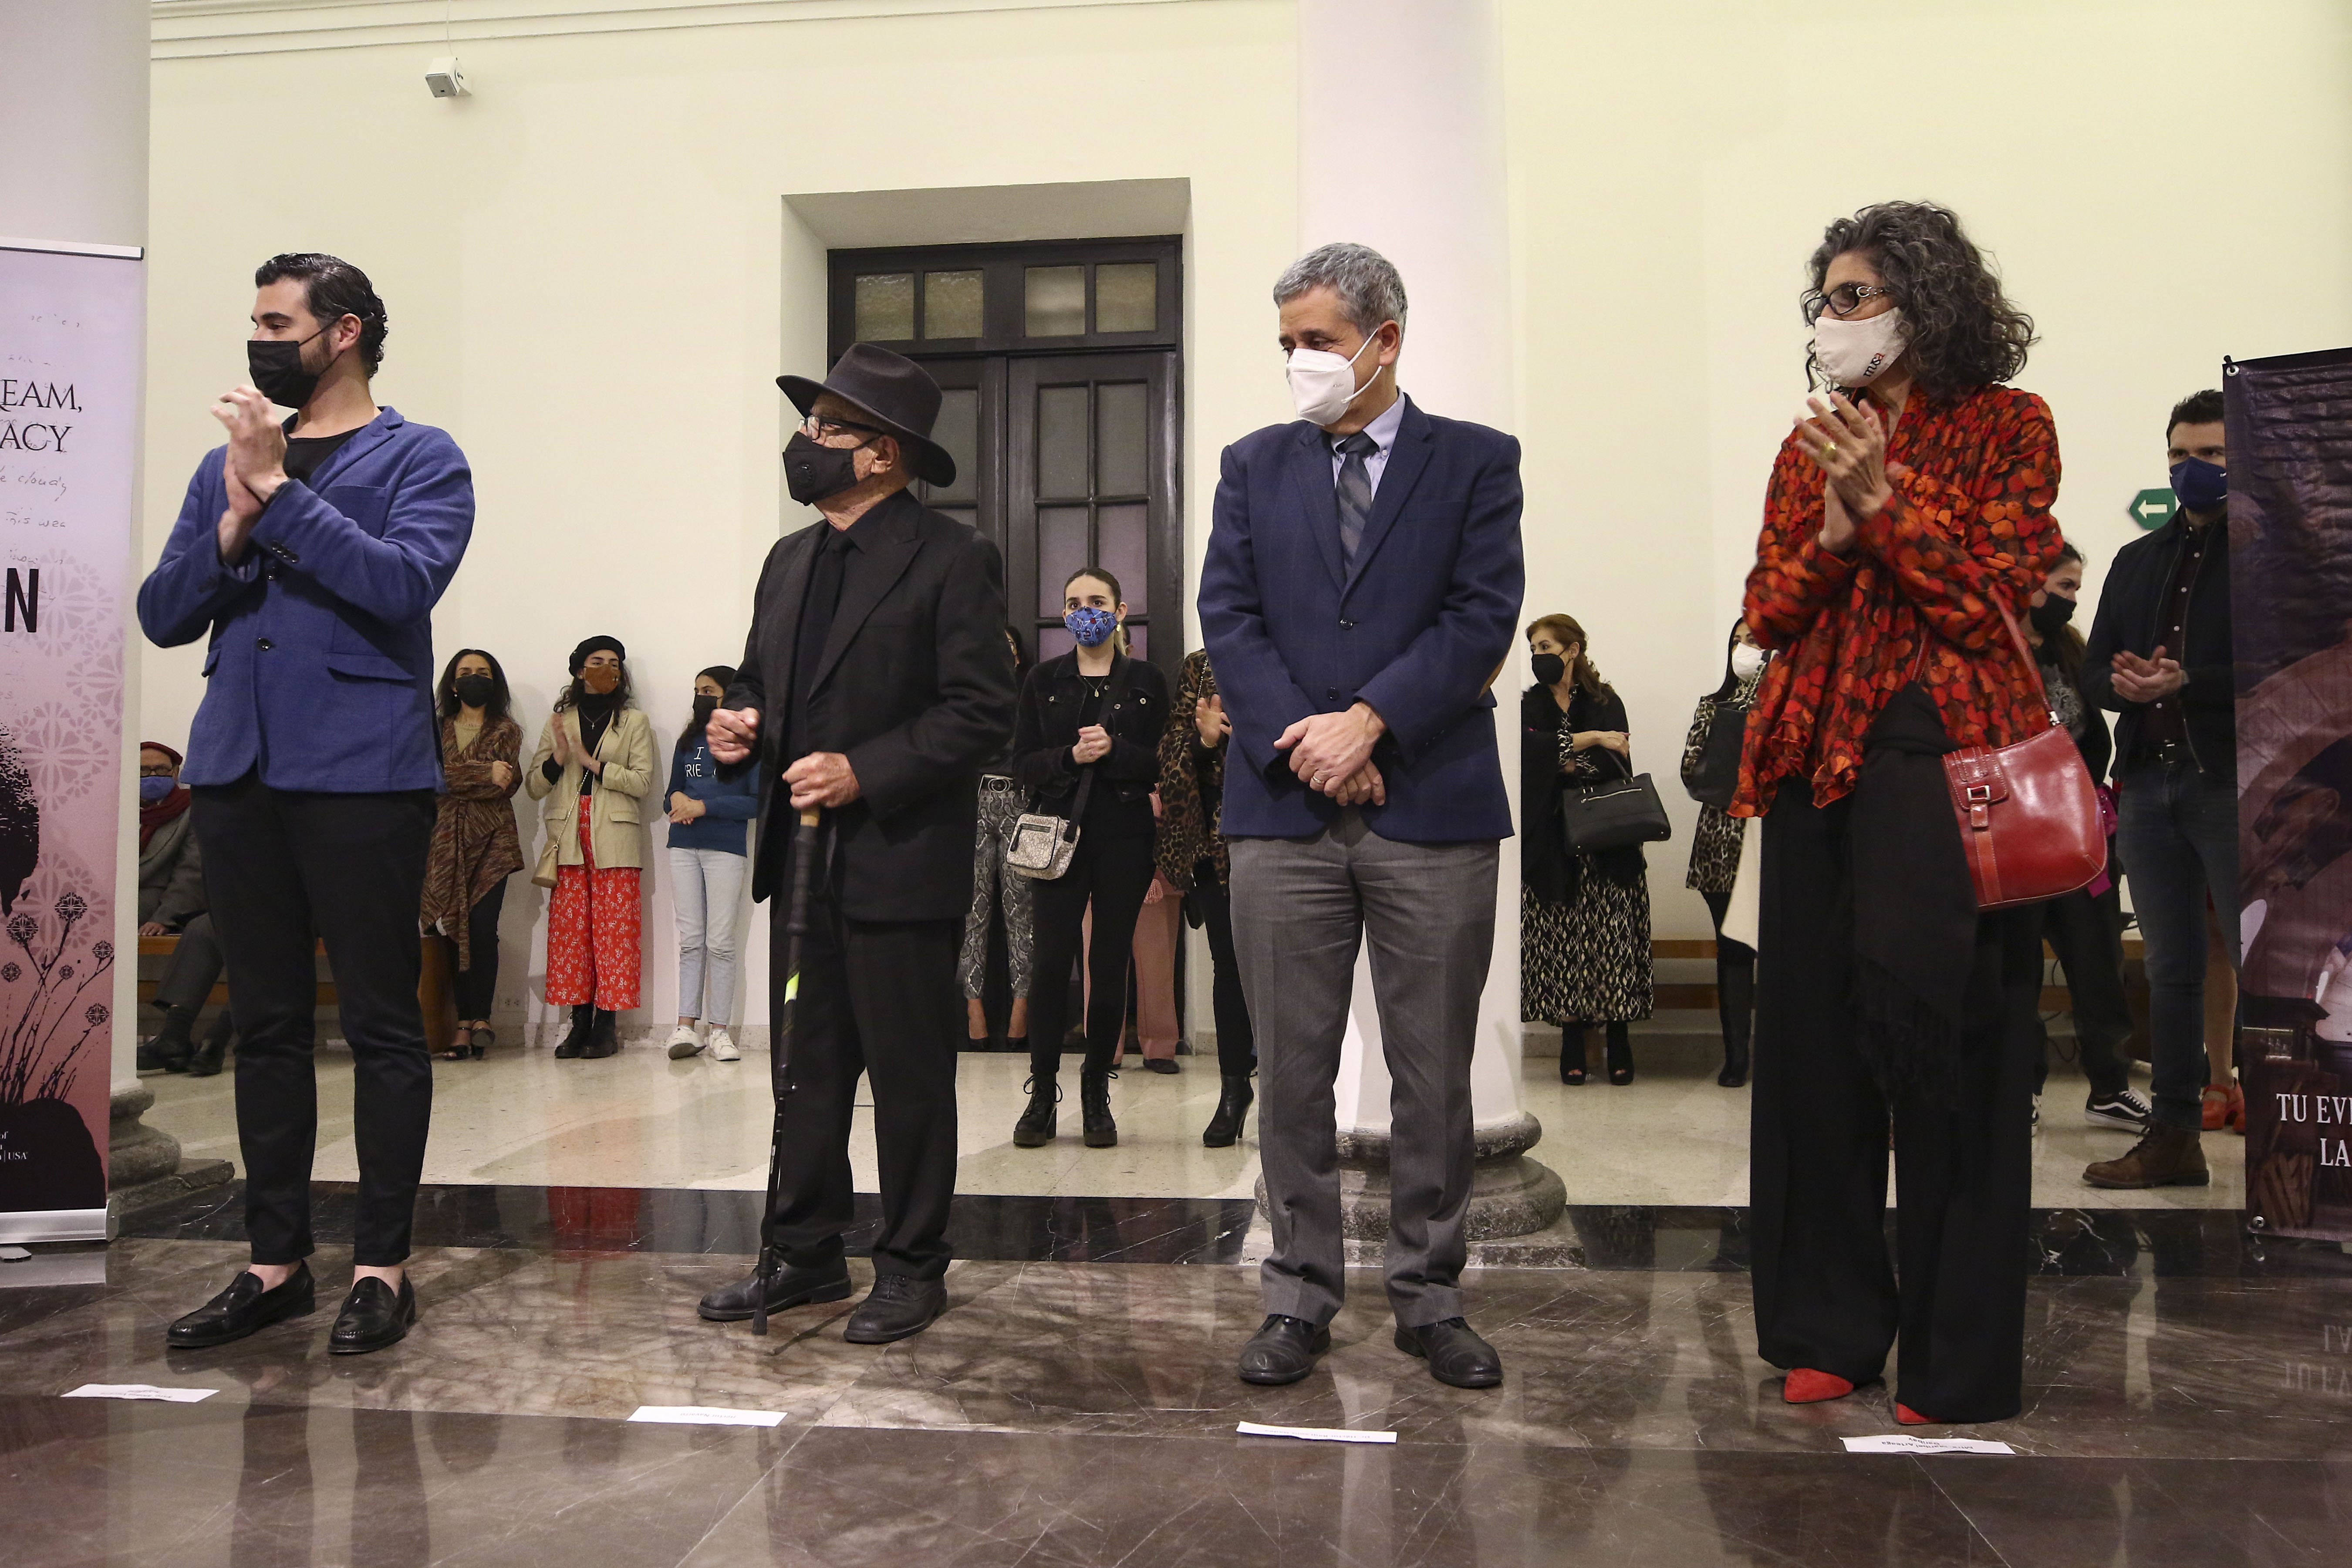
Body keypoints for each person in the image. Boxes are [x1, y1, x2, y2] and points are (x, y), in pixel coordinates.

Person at [1735, 202, 2056, 1425]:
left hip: (1946, 777)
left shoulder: (2009, 426)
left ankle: (1951, 1358)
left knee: (1947, 1061)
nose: (1831, 318)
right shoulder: (1811, 440)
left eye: (1852, 296)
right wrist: (1831, 527)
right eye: (1823, 300)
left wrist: (1882, 507)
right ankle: (1826, 1326)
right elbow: (1767, 611)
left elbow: (1990, 602)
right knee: (1813, 1062)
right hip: (1814, 767)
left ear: (1923, 301)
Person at [1199, 241, 1523, 1391]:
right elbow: (1229, 618)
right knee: (1290, 1073)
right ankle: (1297, 1292)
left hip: (1430, 802)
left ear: (1384, 340)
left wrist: (1373, 723)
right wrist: (1316, 741)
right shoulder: (1253, 465)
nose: (1300, 360)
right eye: (1288, 343)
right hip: (1282, 807)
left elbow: (1480, 616)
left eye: (1320, 341)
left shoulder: (1475, 461)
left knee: (1432, 1074)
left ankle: (1430, 1297)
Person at [137, 252, 472, 1355]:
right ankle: (273, 1262)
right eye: (255, 322)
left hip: (365, 772)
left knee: (379, 1023)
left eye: (278, 323)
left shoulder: (421, 455)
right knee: (268, 1024)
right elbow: (163, 612)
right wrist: (232, 523)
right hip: (238, 770)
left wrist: (281, 493)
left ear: (345, 331)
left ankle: (381, 1267)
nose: (259, 341)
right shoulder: (223, 466)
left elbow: (400, 584)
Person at [696, 344, 1014, 1345]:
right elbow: (758, 677)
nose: (808, 441)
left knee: (908, 1077)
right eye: (810, 424)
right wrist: (740, 721)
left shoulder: (951, 558)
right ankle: (803, 1248)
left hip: (898, 859)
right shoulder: (787, 560)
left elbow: (981, 710)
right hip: (800, 862)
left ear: (884, 453)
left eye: (828, 427)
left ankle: (912, 1263)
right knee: (806, 1067)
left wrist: (863, 770)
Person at [2079, 390, 2236, 1187]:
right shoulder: (2137, 558)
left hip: (2235, 784)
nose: (2191, 467)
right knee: (2169, 969)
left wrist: (2189, 681)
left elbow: (2295, 670)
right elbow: (2090, 666)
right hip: (2146, 782)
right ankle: (2173, 1139)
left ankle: (2298, 1143)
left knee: (2266, 966)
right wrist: (2123, 684)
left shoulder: (2275, 559)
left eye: (2210, 453)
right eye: (2179, 454)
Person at [1009, 567, 1171, 1148]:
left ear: (1119, 611)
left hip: (1125, 836)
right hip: (1058, 834)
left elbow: (1161, 764)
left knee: (1108, 964)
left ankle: (1096, 1090)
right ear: (1064, 613)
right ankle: (1041, 1094)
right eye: (1075, 602)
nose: (1086, 612)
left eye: (1097, 601)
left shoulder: (1147, 681)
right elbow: (1022, 763)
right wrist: (1070, 757)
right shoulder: (1043, 680)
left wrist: (1116, 750)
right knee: (1051, 964)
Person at [2020, 547, 2148, 1130]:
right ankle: (2020, 1088)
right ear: (2028, 582)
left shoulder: (2072, 649)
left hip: (2079, 832)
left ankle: (2110, 1086)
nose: (2072, 599)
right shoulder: (1991, 652)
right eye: (2063, 585)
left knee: (2098, 959)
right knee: (2017, 966)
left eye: (2076, 587)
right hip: (2015, 835)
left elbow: (2094, 733)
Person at [1520, 614, 1653, 1086]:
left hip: (1607, 842)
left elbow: (1615, 761)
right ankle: (1571, 1040)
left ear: (1572, 649)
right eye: (1533, 649)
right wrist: (1592, 739)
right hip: (1552, 844)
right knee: (1561, 940)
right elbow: (1527, 757)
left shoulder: (1605, 700)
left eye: (1545, 647)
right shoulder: (1530, 704)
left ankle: (1619, 1038)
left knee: (1611, 939)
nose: (1538, 656)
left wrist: (1562, 759)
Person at [526, 637, 657, 1060]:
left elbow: (642, 782)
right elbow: (534, 786)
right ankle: (578, 1022)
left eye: (614, 662)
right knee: (571, 936)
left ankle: (606, 1027)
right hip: (567, 836)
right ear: (580, 670)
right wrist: (559, 756)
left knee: (615, 934)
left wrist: (594, 765)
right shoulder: (559, 721)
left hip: (614, 836)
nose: (606, 668)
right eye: (596, 661)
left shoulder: (634, 721)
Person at [1157, 647, 1259, 1145]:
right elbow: (1170, 751)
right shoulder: (1202, 666)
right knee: (1229, 962)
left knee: (1296, 964)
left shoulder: (1297, 647)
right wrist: (1204, 741)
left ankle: (1297, 1091)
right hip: (1217, 838)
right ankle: (1234, 1089)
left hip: (1285, 822)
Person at [421, 650, 523, 1062]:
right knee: (451, 928)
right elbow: (426, 776)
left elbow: (505, 783)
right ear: (452, 683)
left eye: (483, 672)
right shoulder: (433, 729)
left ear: (494, 682)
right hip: (443, 840)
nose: (474, 678)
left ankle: (480, 1018)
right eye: (466, 672)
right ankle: (461, 1024)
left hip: (493, 841)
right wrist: (482, 772)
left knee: (481, 928)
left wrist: (457, 777)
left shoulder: (507, 730)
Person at [1679, 622, 1770, 1088]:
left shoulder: (1790, 704)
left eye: (1752, 641)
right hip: (1721, 839)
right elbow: (1692, 770)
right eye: (1736, 641)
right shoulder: (1713, 705)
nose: (1742, 649)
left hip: (1771, 836)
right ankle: (1736, 1056)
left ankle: (1779, 1054)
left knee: (1781, 948)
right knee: (1732, 948)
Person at [664, 665, 761, 1062]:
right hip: (682, 846)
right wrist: (676, 801)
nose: (700, 697)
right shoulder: (687, 741)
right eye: (697, 690)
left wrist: (703, 806)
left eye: (709, 690)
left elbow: (756, 802)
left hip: (725, 849)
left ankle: (720, 1031)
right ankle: (685, 1027)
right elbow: (671, 792)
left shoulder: (749, 745)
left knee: (720, 942)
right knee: (691, 940)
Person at [135, 742, 235, 1077]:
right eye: (143, 770)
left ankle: (216, 1040)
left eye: (161, 770)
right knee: (204, 928)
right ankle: (175, 1036)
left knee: (271, 935)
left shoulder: (194, 810)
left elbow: (191, 872)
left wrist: (164, 916)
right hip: (258, 899)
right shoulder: (111, 810)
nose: (152, 776)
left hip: (313, 903)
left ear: (176, 773)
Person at [960, 627, 1035, 1056]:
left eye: (1008, 646)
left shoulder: (1031, 694)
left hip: (1020, 805)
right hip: (972, 802)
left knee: (1021, 910)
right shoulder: (970, 696)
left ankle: (1021, 1007)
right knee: (973, 909)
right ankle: (974, 1009)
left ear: (1018, 655)